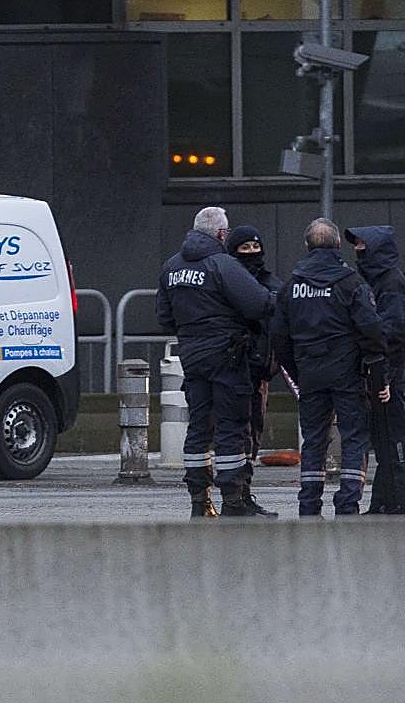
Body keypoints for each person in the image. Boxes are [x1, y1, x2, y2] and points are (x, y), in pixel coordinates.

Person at [156, 206, 275, 518]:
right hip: (227, 356)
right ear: (223, 234)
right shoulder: (223, 264)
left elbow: (164, 317)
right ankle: (234, 500)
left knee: (198, 427)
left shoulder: (171, 267)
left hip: (192, 357)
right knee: (231, 427)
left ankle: (199, 500)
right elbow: (259, 303)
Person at [271, 218, 388, 518]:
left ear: (307, 246)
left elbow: (279, 337)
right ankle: (347, 504)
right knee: (353, 436)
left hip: (310, 374)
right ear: (338, 245)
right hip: (347, 374)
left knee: (314, 439)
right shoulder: (351, 283)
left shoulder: (291, 286)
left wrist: (298, 371)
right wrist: (376, 372)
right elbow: (371, 330)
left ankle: (309, 505)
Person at [344, 225, 405, 514]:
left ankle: (394, 499)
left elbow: (392, 331)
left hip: (391, 373)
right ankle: (385, 499)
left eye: (362, 246)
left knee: (392, 439)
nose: (357, 251)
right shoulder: (375, 280)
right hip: (384, 372)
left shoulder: (390, 283)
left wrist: (387, 376)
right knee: (385, 441)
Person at [225, 225, 282, 516]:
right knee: (235, 433)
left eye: (254, 247)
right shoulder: (227, 281)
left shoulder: (272, 283)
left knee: (253, 434)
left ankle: (244, 491)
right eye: (244, 248)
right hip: (234, 369)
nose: (251, 253)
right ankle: (235, 495)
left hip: (260, 371)